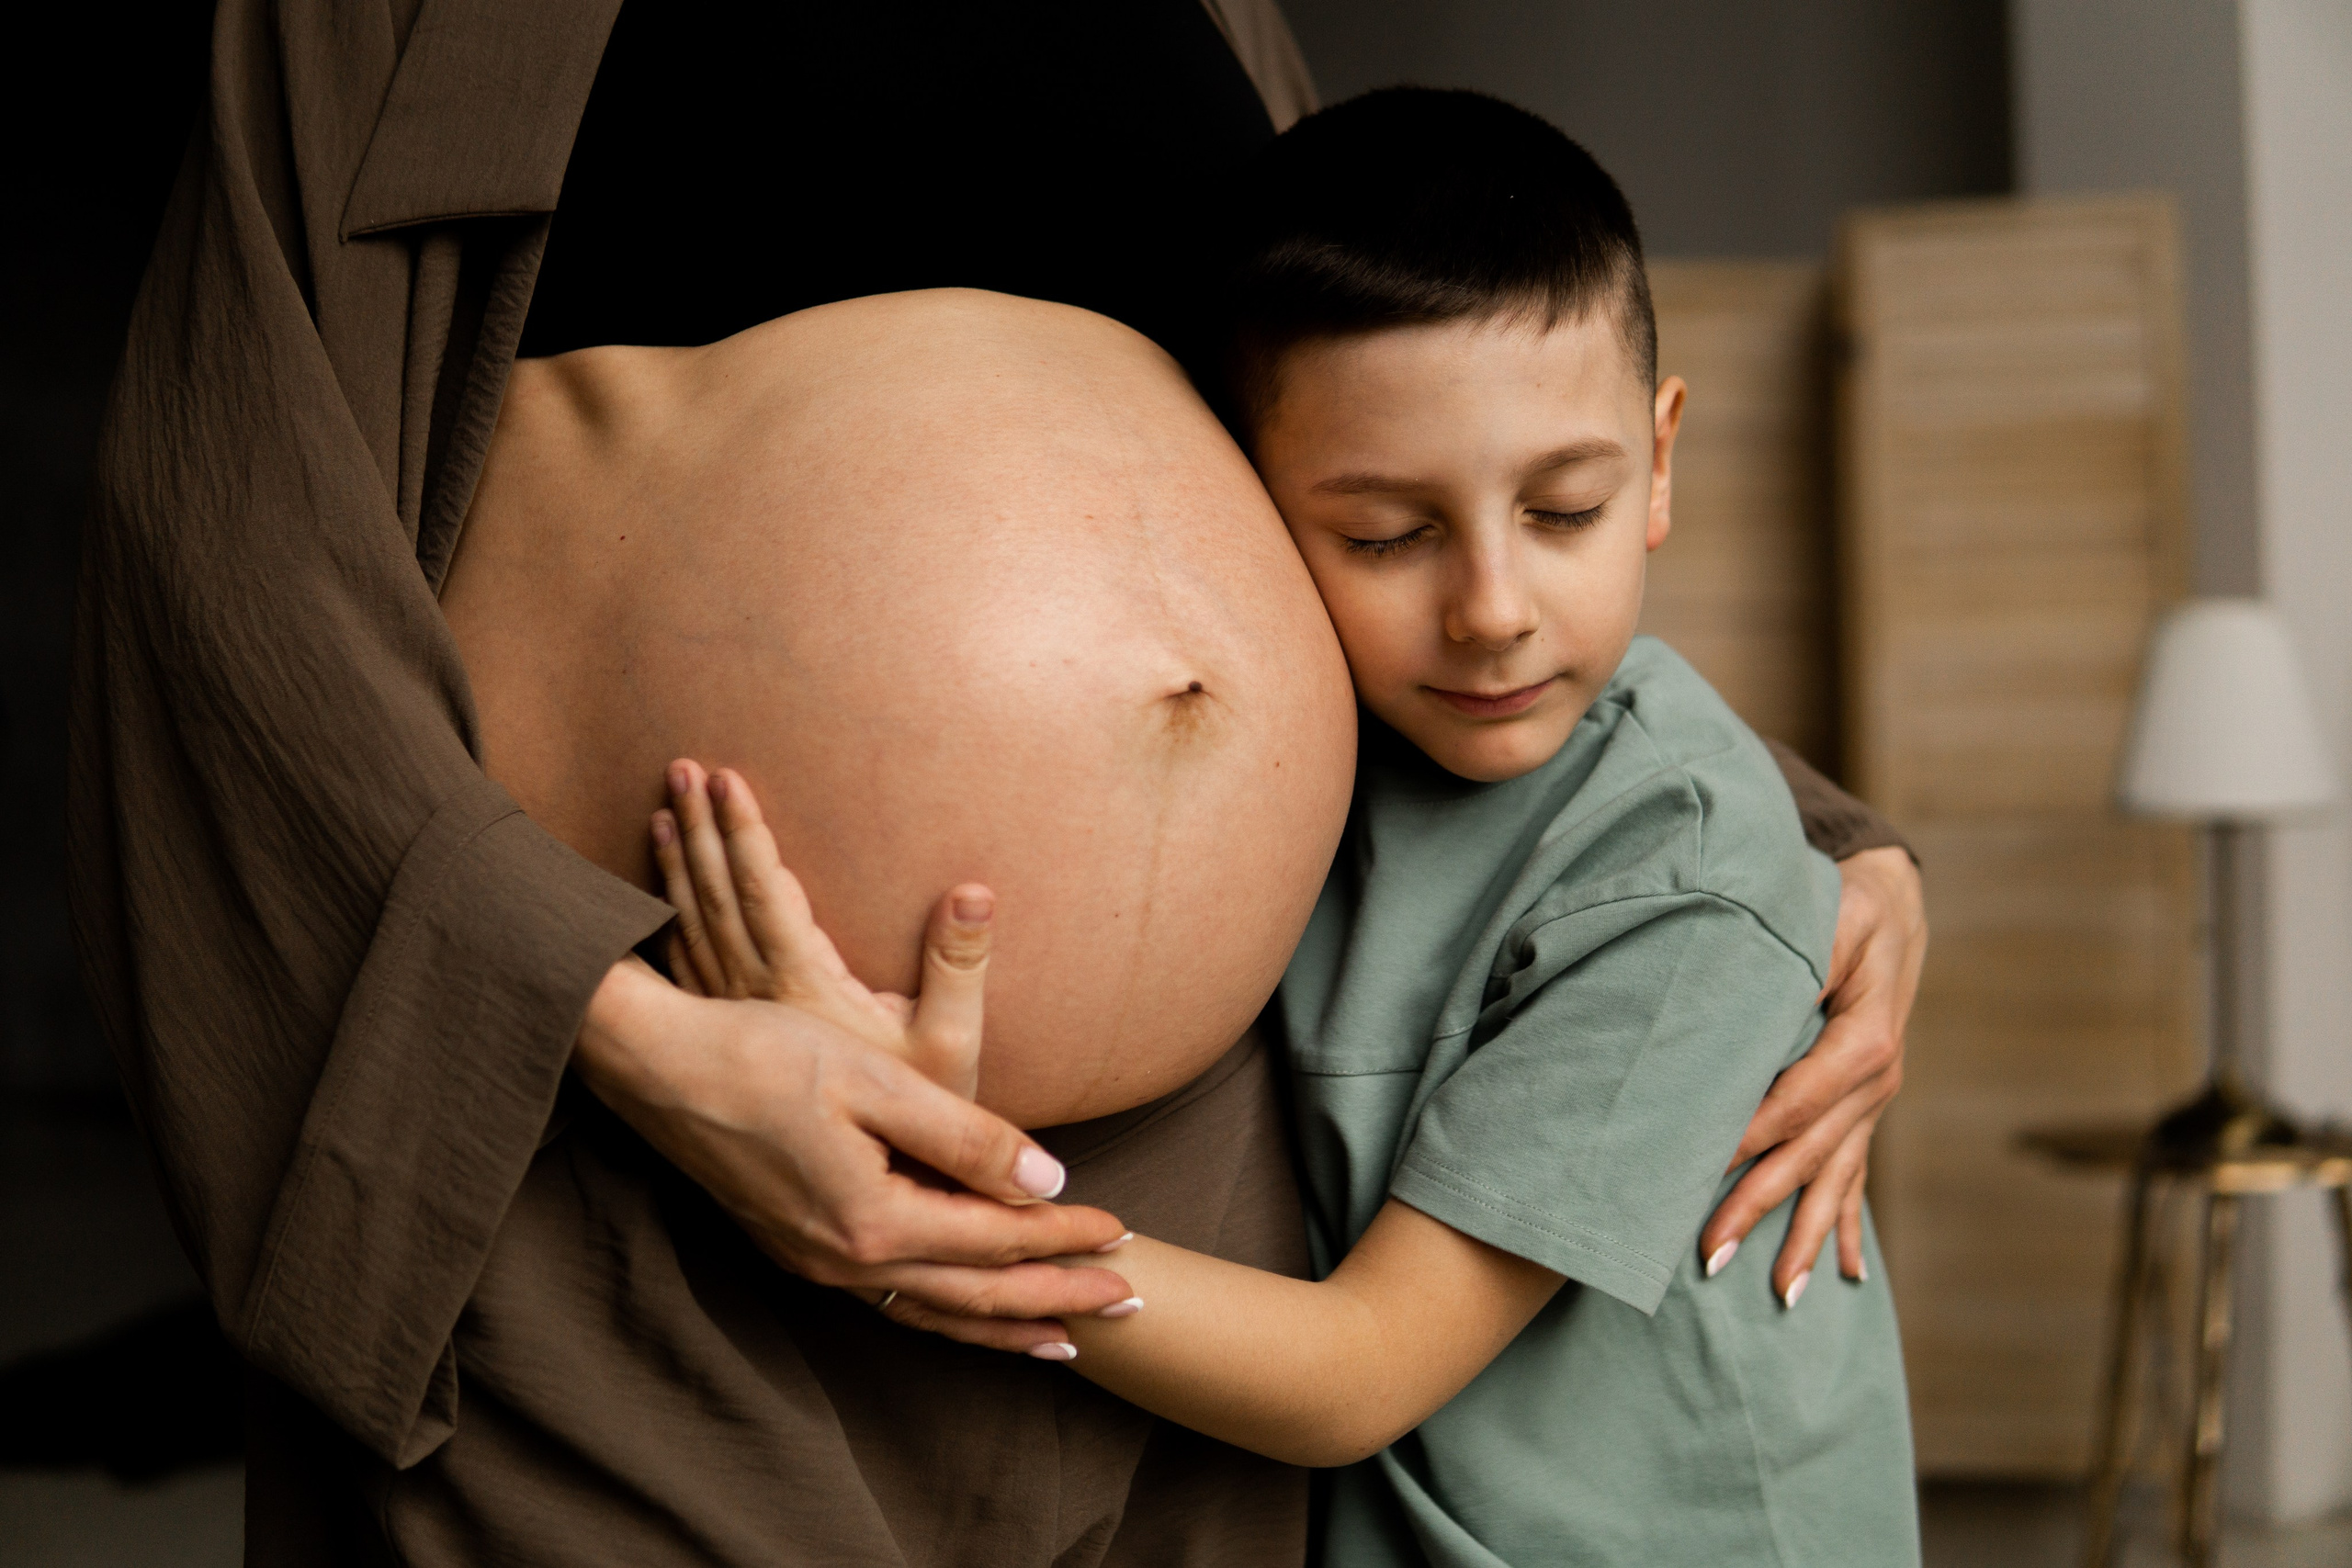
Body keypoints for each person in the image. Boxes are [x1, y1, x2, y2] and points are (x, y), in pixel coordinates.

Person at [69, 2, 1919, 1560]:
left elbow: (1410, 439)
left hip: (1203, 1193)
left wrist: (1812, 848)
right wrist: (625, 1033)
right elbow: (225, 552)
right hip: (642, 1141)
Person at [650, 90, 1921, 1567]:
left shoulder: (1683, 886)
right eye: (1385, 535)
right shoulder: (1343, 741)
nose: (1494, 609)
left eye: (1566, 508)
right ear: (1238, 514)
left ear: (1660, 459)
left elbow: (1356, 1377)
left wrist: (933, 1203)